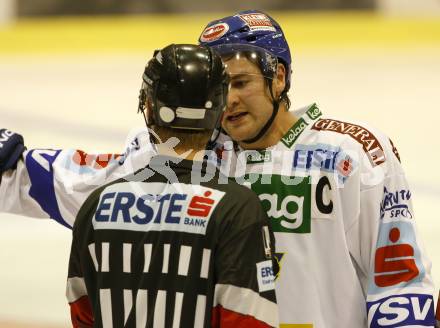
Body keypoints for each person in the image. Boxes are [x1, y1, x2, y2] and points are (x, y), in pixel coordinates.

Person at [0, 10, 436, 328]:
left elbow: (398, 283)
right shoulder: (183, 153)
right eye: (219, 87)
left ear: (279, 78)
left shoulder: (351, 155)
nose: (228, 101)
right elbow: (76, 181)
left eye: (242, 83)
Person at [65, 43, 278, 327]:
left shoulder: (97, 205)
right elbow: (249, 320)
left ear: (150, 107)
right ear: (219, 110)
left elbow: (83, 312)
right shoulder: (237, 209)